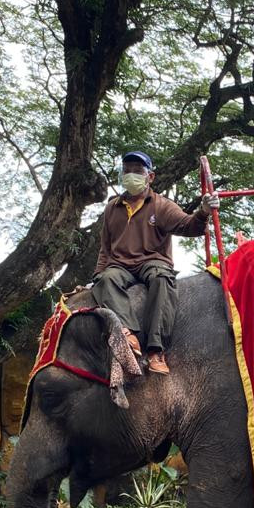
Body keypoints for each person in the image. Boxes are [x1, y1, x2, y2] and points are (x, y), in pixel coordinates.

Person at [93, 150, 219, 374]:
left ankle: (156, 350)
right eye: (127, 171)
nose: (131, 175)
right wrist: (97, 276)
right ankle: (127, 334)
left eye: (138, 171)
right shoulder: (113, 207)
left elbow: (188, 226)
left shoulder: (161, 205)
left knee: (162, 278)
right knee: (105, 279)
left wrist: (204, 212)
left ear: (150, 177)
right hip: (119, 265)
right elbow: (106, 247)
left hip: (152, 261)